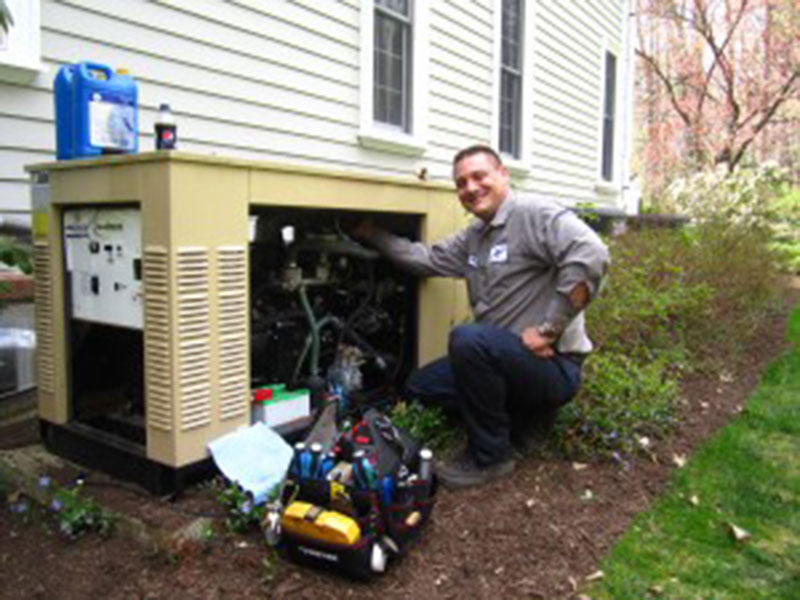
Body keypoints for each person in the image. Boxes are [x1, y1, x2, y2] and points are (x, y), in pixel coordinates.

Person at [353, 145, 609, 488]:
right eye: (461, 183)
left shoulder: (532, 213)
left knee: (467, 339)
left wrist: (550, 330)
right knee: (419, 385)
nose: (470, 188)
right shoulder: (475, 236)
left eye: (479, 176)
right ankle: (522, 419)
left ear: (502, 173)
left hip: (553, 365)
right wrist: (372, 235)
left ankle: (491, 457)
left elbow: (591, 254)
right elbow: (425, 260)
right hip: (505, 359)